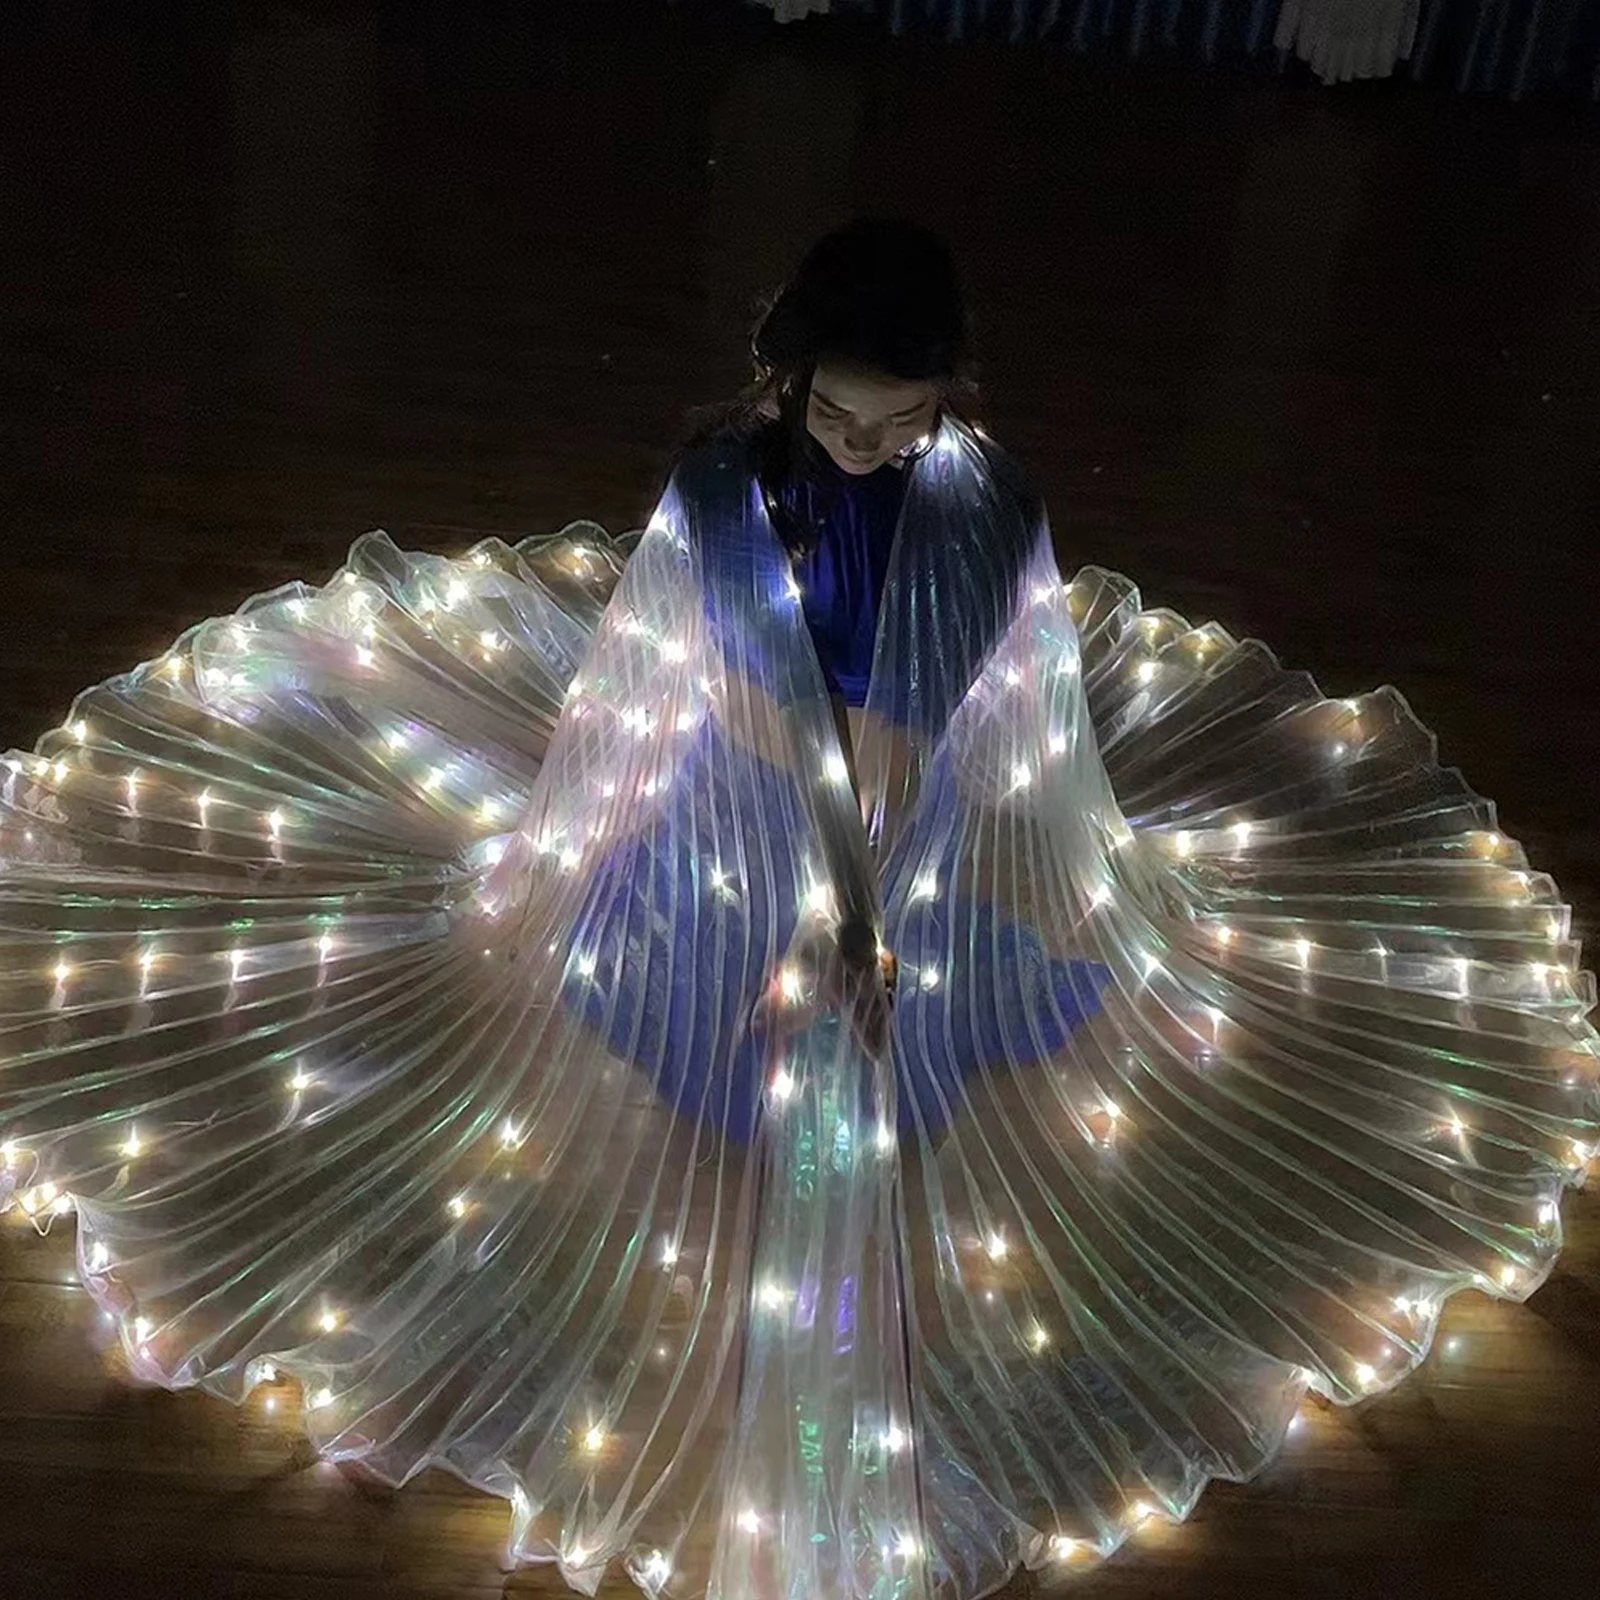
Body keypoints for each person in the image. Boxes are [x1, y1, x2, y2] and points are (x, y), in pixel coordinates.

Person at [0, 221, 1594, 1600]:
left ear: (950, 401)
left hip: (914, 802)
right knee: (733, 1015)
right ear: (784, 377)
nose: (863, 446)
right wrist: (837, 898)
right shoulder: (723, 489)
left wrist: (878, 895)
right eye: (833, 413)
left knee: (899, 1015)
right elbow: (771, 716)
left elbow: (925, 729)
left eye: (903, 422)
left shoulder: (982, 502)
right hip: (748, 791)